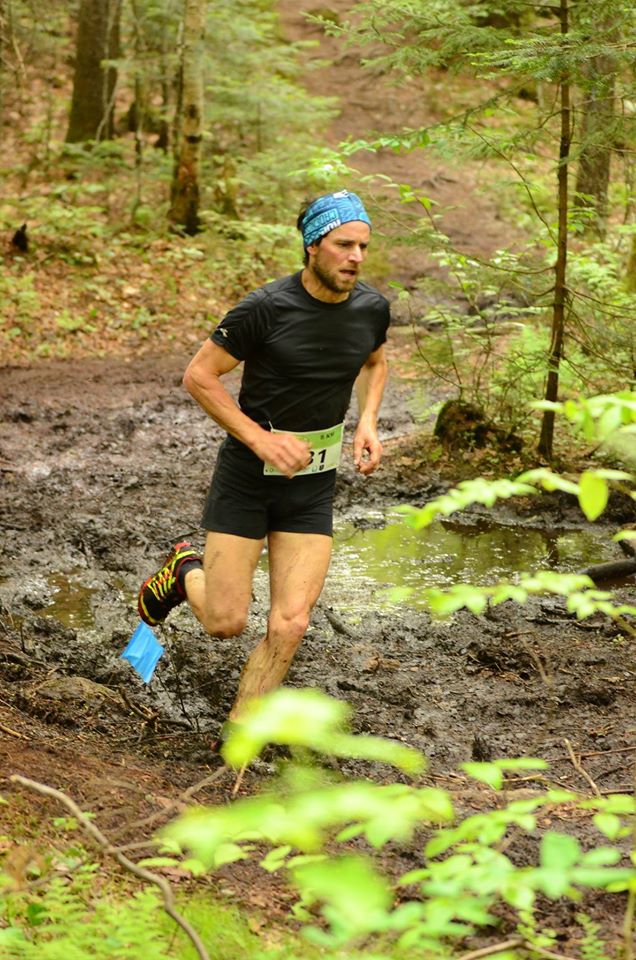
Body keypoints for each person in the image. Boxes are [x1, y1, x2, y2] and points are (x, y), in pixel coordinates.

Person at [137, 189, 390, 722]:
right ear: (313, 246)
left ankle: (239, 739)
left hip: (312, 487)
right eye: (344, 245)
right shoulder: (264, 309)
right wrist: (260, 439)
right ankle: (185, 569)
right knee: (226, 621)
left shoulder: (372, 309)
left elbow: (373, 363)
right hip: (248, 480)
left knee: (291, 622)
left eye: (363, 246)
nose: (356, 257)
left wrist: (366, 422)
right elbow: (199, 376)